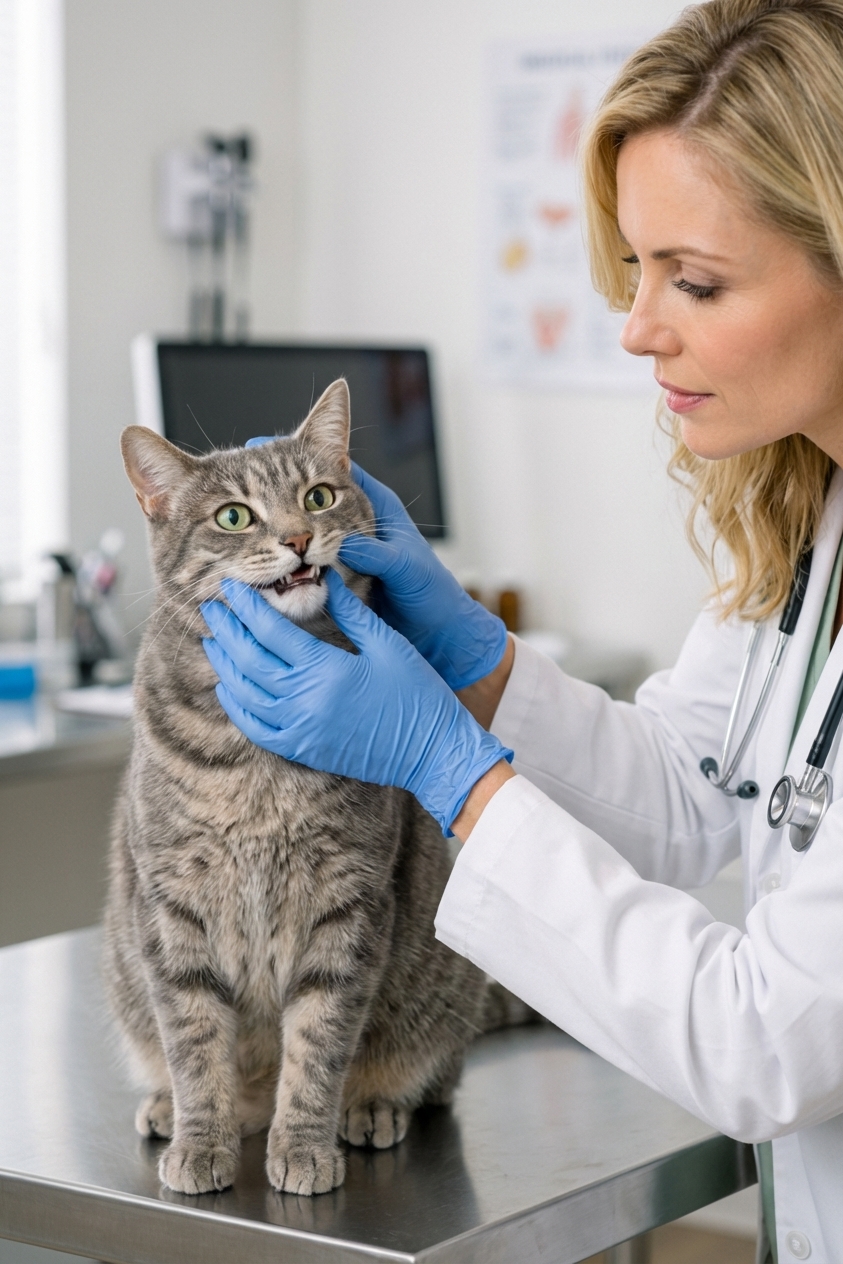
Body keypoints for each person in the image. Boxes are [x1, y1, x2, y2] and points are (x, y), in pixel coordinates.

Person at [198, 1, 843, 1258]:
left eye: (694, 279)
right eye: (637, 267)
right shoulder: (804, 516)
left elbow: (766, 1040)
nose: (638, 325)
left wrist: (452, 766)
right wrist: (472, 661)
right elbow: (683, 790)